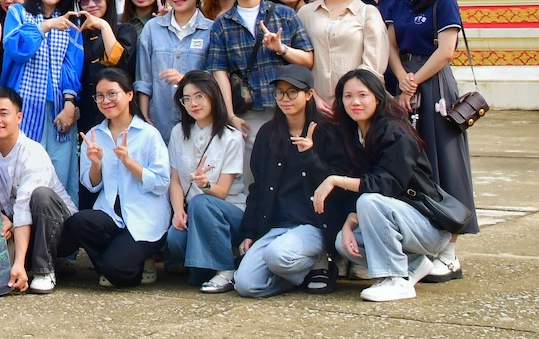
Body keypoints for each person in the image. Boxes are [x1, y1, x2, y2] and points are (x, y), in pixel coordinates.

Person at [316, 69, 464, 302]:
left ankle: (396, 279)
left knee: (370, 199)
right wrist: (348, 222)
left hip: (426, 227)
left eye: (362, 95)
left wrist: (335, 180)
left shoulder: (395, 131)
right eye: (348, 96)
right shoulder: (353, 134)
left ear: (377, 97)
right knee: (343, 244)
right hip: (397, 223)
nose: (355, 102)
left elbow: (385, 185)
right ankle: (415, 266)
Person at [386, 0, 480, 244]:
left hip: (435, 82)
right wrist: (402, 77)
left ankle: (450, 242)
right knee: (411, 157)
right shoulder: (398, 1)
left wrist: (413, 81)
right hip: (405, 80)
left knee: (443, 156)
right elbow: (391, 44)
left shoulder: (444, 0)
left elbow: (446, 51)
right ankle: (419, 236)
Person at [233, 64, 331, 298]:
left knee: (277, 256)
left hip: (313, 225)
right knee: (245, 285)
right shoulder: (268, 134)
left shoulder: (327, 132)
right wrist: (249, 232)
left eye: (292, 92)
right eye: (279, 93)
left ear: (309, 95)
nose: (285, 99)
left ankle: (321, 260)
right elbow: (257, 189)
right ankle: (302, 275)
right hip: (276, 227)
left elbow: (335, 183)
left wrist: (310, 156)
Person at [67, 69, 169, 288]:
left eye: (112, 94)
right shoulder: (95, 134)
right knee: (78, 222)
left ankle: (131, 260)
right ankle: (118, 261)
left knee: (116, 271)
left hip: (144, 219)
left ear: (129, 94)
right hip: (111, 215)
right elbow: (91, 186)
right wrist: (96, 163)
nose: (106, 101)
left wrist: (129, 162)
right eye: (100, 96)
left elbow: (162, 182)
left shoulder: (148, 134)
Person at [205, 0, 313, 146]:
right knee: (254, 167)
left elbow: (308, 60)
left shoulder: (284, 15)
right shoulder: (222, 24)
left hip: (289, 107)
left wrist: (282, 49)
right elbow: (219, 71)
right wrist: (230, 115)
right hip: (249, 112)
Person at [2, 0, 84, 203]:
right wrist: (45, 26)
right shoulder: (18, 13)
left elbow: (72, 66)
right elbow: (16, 49)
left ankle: (62, 235)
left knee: (59, 175)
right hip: (23, 108)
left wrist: (70, 105)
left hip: (58, 110)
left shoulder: (70, 22)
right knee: (23, 176)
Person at [162, 70, 247, 291]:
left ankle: (225, 269)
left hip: (230, 212)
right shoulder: (178, 133)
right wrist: (179, 211)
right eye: (186, 98)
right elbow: (175, 180)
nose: (193, 103)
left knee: (201, 201)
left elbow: (222, 192)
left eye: (199, 96)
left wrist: (205, 185)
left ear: (213, 95)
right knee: (175, 239)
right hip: (196, 213)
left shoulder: (231, 137)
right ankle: (215, 264)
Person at [0, 85, 73, 295]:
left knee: (40, 195)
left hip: (59, 229)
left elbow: (24, 208)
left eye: (4, 113)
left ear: (18, 117)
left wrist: (19, 263)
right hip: (19, 226)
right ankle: (25, 264)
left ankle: (44, 270)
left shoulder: (32, 152)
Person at [299, 0, 388, 113]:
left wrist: (349, 99)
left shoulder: (367, 13)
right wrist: (313, 97)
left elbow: (373, 66)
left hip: (356, 108)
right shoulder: (305, 13)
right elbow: (299, 61)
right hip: (315, 107)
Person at [136, 0, 212, 143]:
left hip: (199, 125)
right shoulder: (152, 29)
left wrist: (186, 79)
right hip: (158, 124)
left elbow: (214, 78)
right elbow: (144, 79)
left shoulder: (211, 30)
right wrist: (145, 118)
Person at [76, 0, 140, 134]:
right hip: (86, 108)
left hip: (117, 106)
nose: (91, 4)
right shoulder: (77, 34)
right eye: (85, 0)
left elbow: (118, 62)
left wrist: (104, 26)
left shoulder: (125, 30)